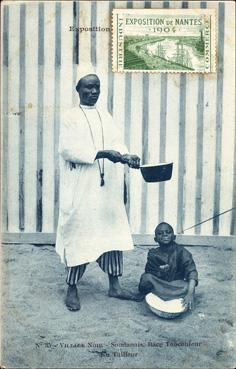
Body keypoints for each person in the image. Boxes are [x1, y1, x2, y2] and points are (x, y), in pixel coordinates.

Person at [55, 72, 141, 311]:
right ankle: (72, 288)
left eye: (97, 88)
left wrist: (126, 156)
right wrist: (103, 154)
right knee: (80, 233)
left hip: (107, 190)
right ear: (78, 89)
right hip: (83, 187)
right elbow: (67, 149)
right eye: (88, 87)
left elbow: (117, 142)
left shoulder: (105, 115)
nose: (93, 92)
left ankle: (115, 285)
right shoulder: (70, 117)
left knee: (111, 232)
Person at [138, 222, 198, 310]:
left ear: (174, 237)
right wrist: (159, 271)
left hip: (176, 284)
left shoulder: (181, 252)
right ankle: (169, 295)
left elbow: (192, 272)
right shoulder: (153, 253)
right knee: (145, 278)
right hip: (160, 283)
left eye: (168, 232)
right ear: (155, 239)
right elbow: (149, 272)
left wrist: (190, 294)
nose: (164, 235)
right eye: (160, 233)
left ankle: (160, 294)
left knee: (187, 287)